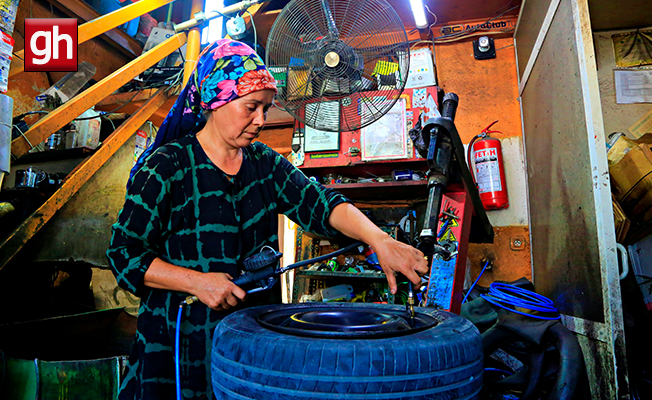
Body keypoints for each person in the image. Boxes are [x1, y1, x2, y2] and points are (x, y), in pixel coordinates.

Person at [107, 38, 428, 400]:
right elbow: (124, 255)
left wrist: (379, 239)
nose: (261, 120)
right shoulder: (166, 166)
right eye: (251, 107)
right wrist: (197, 282)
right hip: (176, 347)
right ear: (216, 100)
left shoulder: (264, 163)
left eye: (266, 108)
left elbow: (320, 203)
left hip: (251, 350)